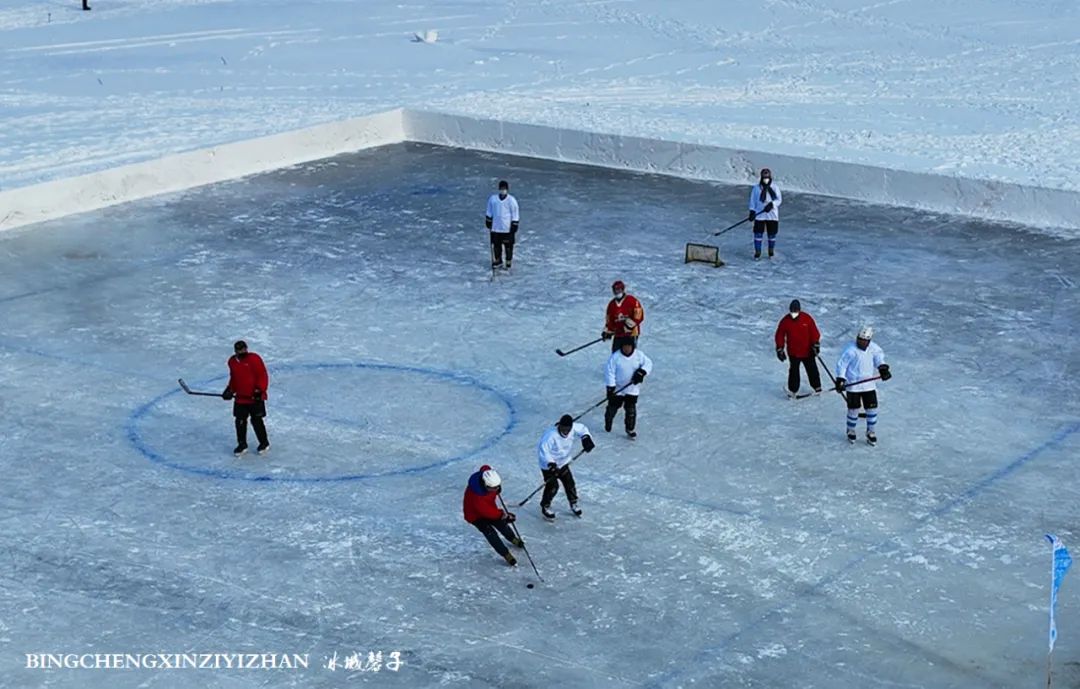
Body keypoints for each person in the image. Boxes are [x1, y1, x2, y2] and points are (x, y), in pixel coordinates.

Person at [834, 325, 891, 446]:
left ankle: (871, 432)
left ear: (869, 341)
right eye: (860, 339)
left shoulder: (874, 349)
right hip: (853, 385)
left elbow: (879, 359)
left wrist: (883, 369)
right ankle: (851, 430)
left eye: (864, 340)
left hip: (868, 384)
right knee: (853, 409)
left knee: (871, 408)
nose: (861, 342)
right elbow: (842, 365)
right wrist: (840, 379)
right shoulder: (850, 350)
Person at [536, 414, 595, 520]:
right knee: (553, 486)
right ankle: (545, 506)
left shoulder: (573, 428)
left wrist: (586, 438)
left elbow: (582, 429)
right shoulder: (550, 435)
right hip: (548, 466)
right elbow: (544, 451)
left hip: (563, 463)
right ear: (560, 426)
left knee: (569, 483)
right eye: (564, 428)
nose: (566, 431)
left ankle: (573, 503)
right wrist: (551, 464)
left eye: (568, 429)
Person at [462, 465, 523, 566]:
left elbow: (485, 467)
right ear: (486, 486)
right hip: (475, 516)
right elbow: (489, 513)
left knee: (501, 524)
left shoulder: (486, 476)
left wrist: (497, 487)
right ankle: (505, 553)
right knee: (490, 532)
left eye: (498, 486)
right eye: (494, 488)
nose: (497, 489)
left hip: (489, 508)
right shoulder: (478, 498)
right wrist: (505, 516)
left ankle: (512, 538)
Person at [221, 340, 270, 456]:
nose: (242, 351)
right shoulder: (232, 362)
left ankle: (264, 442)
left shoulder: (254, 359)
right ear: (236, 351)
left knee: (257, 421)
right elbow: (234, 378)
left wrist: (259, 390)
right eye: (239, 350)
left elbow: (262, 375)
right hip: (241, 398)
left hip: (255, 398)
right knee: (240, 421)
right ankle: (242, 444)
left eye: (244, 349)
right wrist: (230, 390)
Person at [604, 340, 654, 439]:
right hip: (618, 388)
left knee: (630, 410)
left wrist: (642, 372)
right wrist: (611, 387)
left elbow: (648, 363)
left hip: (632, 388)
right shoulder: (615, 357)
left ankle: (630, 429)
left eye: (629, 347)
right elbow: (609, 372)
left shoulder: (639, 355)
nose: (627, 349)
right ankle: (608, 420)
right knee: (613, 408)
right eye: (625, 347)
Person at [774, 299, 822, 397]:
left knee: (812, 369)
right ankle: (793, 390)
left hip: (808, 351)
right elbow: (779, 335)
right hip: (793, 352)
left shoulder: (807, 319)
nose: (793, 314)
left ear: (799, 310)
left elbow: (814, 333)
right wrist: (780, 348)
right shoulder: (785, 321)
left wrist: (816, 344)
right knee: (794, 372)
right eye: (792, 311)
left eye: (795, 311)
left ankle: (817, 387)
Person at [748, 168, 783, 259]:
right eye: (764, 177)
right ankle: (758, 252)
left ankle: (771, 251)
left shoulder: (775, 188)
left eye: (767, 177)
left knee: (772, 234)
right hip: (759, 214)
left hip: (772, 215)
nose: (766, 179)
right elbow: (753, 200)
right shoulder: (756, 188)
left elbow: (779, 200)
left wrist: (772, 204)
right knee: (758, 233)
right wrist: (752, 211)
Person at [485, 180, 519, 270]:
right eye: (501, 189)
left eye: (504, 189)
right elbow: (489, 211)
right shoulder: (493, 199)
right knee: (496, 246)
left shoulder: (511, 200)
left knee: (508, 247)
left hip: (507, 228)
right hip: (496, 227)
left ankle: (508, 261)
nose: (502, 190)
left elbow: (515, 213)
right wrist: (488, 220)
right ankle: (498, 260)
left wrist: (514, 224)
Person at [602, 280, 645, 352]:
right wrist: (607, 332)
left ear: (622, 289)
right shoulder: (611, 305)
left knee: (628, 356)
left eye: (618, 289)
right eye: (615, 290)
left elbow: (639, 315)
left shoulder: (632, 300)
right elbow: (609, 320)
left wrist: (630, 325)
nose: (616, 292)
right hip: (618, 334)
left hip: (631, 334)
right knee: (615, 355)